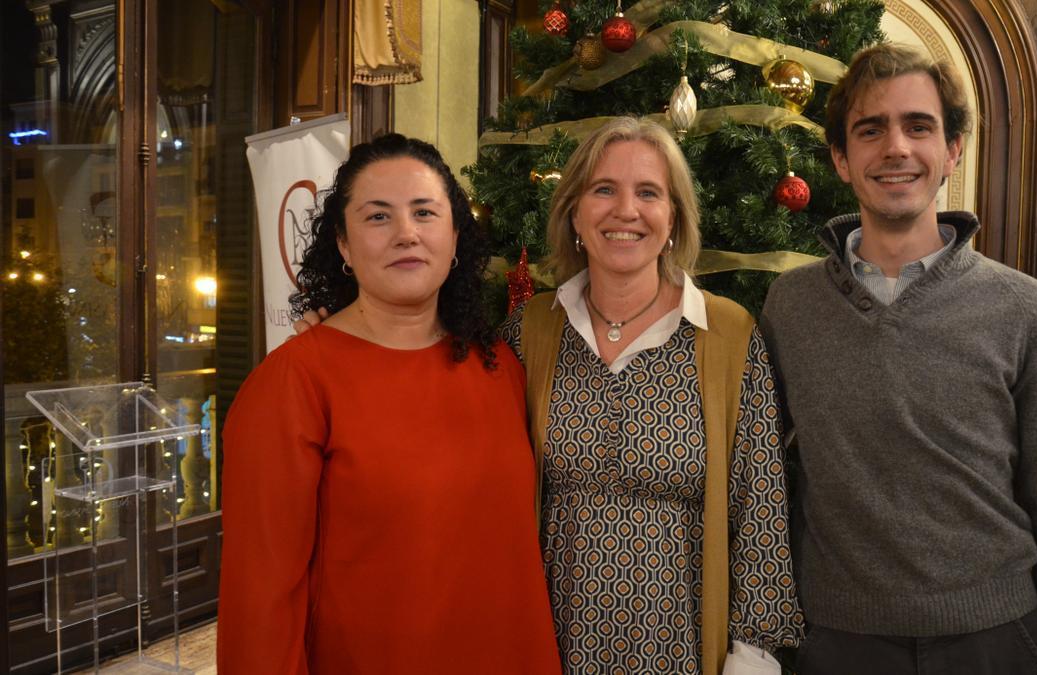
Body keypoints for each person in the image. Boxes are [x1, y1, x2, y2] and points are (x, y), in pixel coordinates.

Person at [760, 44, 1037, 675]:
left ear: (952, 150)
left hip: (995, 640)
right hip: (836, 642)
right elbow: (768, 482)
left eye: (919, 126)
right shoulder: (790, 305)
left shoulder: (1027, 310)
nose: (896, 147)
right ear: (840, 158)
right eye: (871, 129)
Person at [218, 134, 561, 674]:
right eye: (378, 217)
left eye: (425, 212)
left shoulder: (500, 367)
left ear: (454, 238)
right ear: (345, 246)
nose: (407, 233)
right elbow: (259, 602)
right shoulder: (293, 384)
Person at [503, 116, 802, 674]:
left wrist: (752, 655)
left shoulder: (730, 335)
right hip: (548, 649)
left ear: (673, 218)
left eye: (648, 192)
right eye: (603, 190)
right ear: (574, 211)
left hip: (686, 651)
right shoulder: (529, 332)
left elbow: (760, 507)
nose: (626, 211)